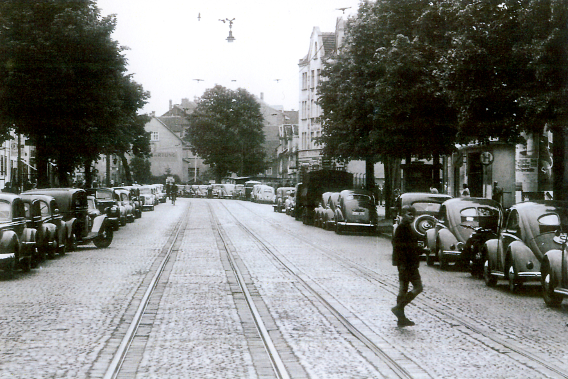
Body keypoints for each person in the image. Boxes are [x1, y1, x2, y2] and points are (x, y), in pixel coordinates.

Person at [391, 205, 423, 327]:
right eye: (409, 214)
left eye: (413, 214)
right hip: (408, 264)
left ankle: (401, 318)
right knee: (418, 287)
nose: (412, 217)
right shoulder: (402, 228)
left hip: (405, 264)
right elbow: (400, 247)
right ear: (403, 214)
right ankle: (399, 307)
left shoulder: (405, 227)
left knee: (403, 289)